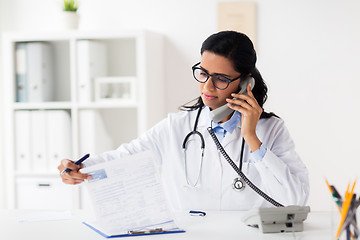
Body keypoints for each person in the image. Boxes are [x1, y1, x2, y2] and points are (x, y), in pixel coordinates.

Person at [58, 31, 309, 210]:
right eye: (203, 73)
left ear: (245, 82)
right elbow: (126, 157)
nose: (207, 86)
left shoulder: (271, 130)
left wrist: (252, 138)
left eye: (221, 78)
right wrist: (80, 168)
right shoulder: (176, 127)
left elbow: (294, 200)